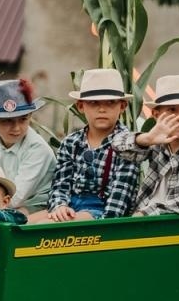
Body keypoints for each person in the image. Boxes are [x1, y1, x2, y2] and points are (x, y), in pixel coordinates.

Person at [111, 74, 179, 216]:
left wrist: (146, 212)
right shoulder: (156, 144)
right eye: (172, 110)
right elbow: (117, 145)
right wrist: (148, 138)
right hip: (144, 221)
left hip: (177, 227)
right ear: (156, 114)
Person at [44, 68, 140, 221]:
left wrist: (106, 223)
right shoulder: (71, 142)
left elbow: (121, 193)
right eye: (94, 103)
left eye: (110, 102)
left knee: (47, 225)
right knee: (29, 221)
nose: (102, 109)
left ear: (122, 106)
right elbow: (60, 183)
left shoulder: (127, 145)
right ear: (81, 106)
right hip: (71, 205)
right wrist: (59, 206)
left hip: (102, 211)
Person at [0, 77, 55, 215]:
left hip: (37, 205)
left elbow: (18, 196)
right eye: (7, 121)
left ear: (30, 116)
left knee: (1, 218)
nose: (16, 128)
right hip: (2, 203)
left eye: (23, 119)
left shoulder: (37, 148)